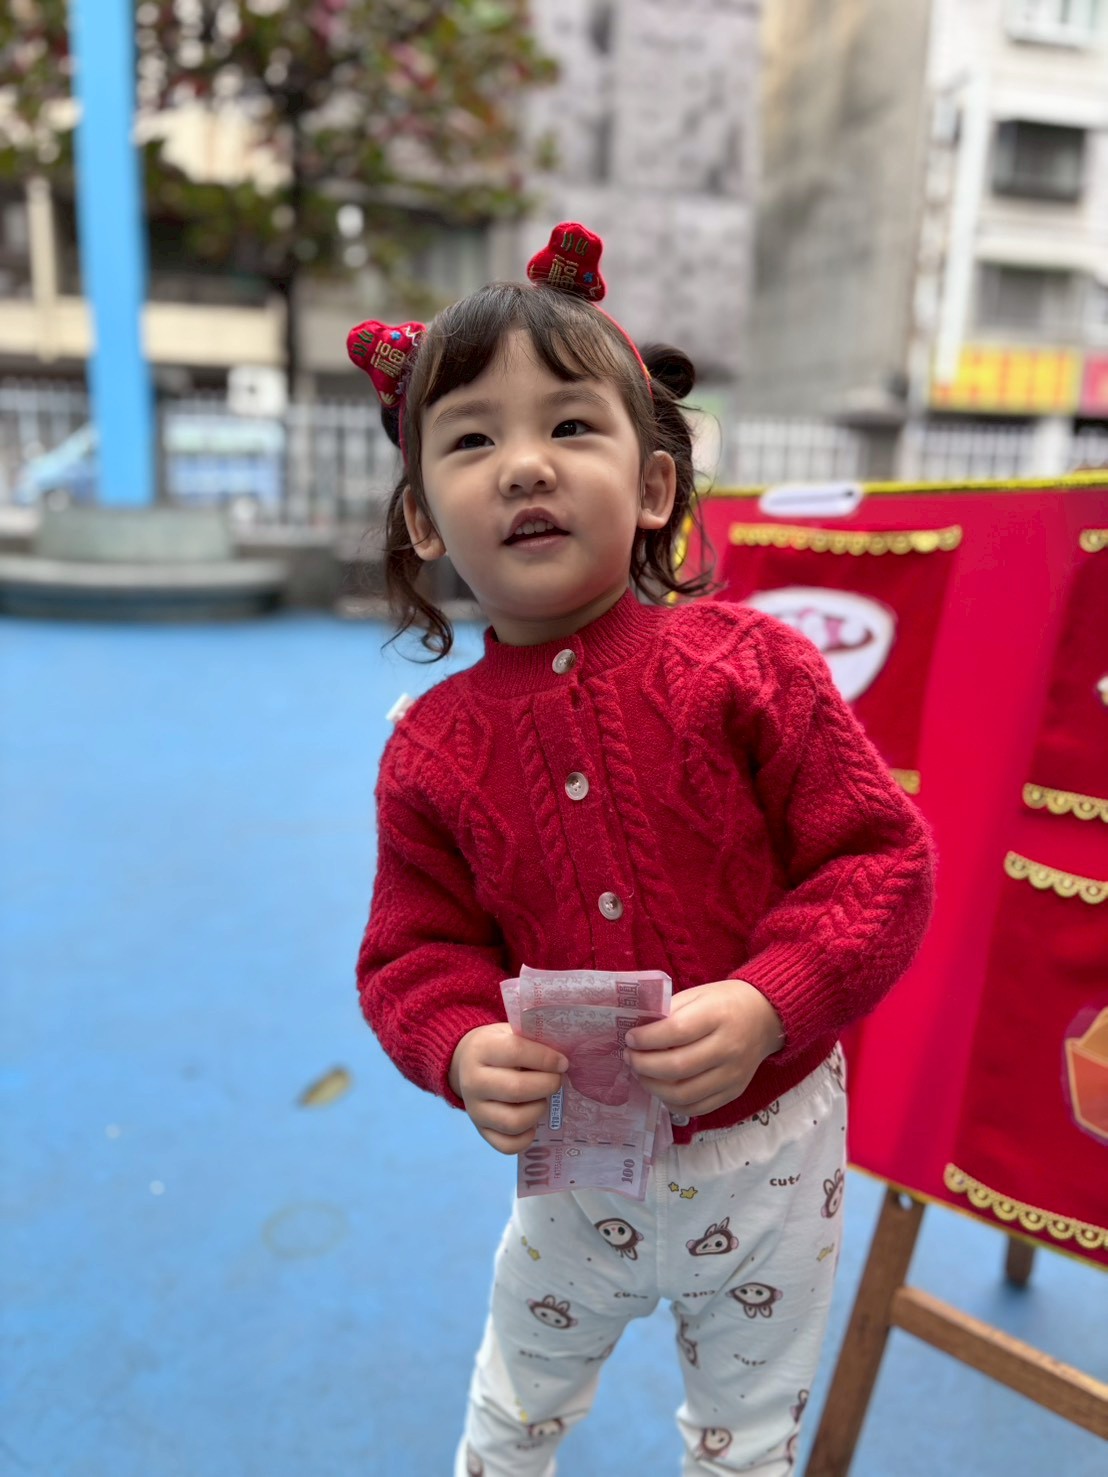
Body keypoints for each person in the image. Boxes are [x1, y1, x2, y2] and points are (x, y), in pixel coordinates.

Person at [349, 222, 935, 1477]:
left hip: (775, 1159)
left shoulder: (752, 668)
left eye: (569, 426)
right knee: (511, 1413)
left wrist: (771, 999)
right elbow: (413, 951)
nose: (523, 465)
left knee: (745, 1441)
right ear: (422, 522)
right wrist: (457, 1044)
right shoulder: (430, 752)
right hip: (576, 1170)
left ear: (655, 487)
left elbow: (878, 863)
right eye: (470, 440)